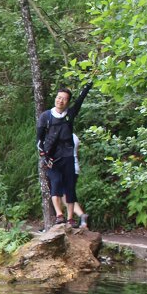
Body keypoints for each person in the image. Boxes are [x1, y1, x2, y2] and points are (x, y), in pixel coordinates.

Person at [37, 82, 93, 228]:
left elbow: (79, 102)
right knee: (55, 184)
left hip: (68, 156)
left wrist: (86, 88)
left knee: (69, 188)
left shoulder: (69, 115)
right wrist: (44, 156)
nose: (60, 100)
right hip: (52, 157)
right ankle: (59, 215)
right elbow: (39, 139)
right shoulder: (46, 116)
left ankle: (70, 218)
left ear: (67, 102)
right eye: (58, 97)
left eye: (63, 99)